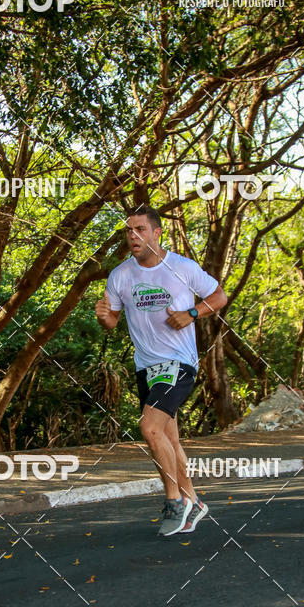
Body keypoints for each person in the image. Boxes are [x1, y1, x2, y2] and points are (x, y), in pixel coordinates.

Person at [95, 204, 228, 537]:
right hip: (146, 367)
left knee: (150, 429)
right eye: (128, 230)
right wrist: (103, 316)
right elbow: (111, 321)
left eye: (140, 230)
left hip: (179, 363)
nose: (133, 236)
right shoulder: (120, 275)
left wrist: (193, 314)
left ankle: (174, 502)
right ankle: (193, 501)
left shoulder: (182, 267)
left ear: (157, 232)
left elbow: (219, 295)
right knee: (168, 437)